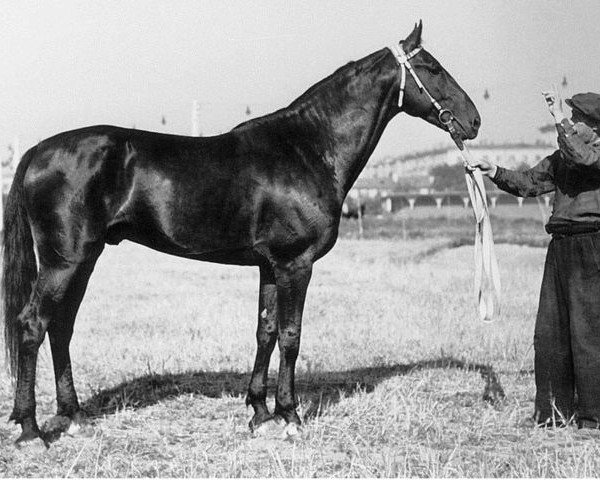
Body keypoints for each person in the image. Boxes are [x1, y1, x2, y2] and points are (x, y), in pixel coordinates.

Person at [472, 91, 600, 428]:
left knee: (588, 334)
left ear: (596, 129)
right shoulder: (562, 159)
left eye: (578, 120)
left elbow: (583, 157)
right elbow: (528, 183)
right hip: (560, 247)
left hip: (592, 246)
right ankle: (554, 414)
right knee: (551, 333)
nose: (571, 122)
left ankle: (592, 417)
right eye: (569, 117)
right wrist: (495, 170)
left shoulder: (593, 155)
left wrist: (558, 119)